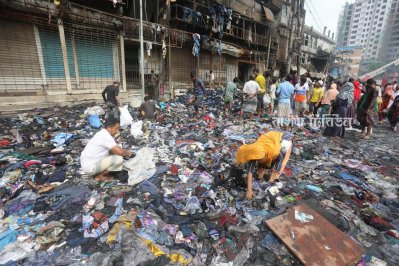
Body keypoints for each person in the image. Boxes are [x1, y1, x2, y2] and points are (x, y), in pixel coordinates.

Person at [236, 129, 293, 200]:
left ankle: (273, 182)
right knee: (261, 170)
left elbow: (278, 167)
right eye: (258, 159)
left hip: (285, 137)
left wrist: (271, 182)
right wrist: (249, 190)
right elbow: (249, 172)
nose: (258, 160)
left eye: (260, 159)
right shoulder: (254, 151)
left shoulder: (276, 153)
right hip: (270, 136)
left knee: (282, 163)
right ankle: (266, 176)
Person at [80, 117, 135, 181]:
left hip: (86, 164)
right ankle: (99, 176)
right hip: (90, 167)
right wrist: (128, 153)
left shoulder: (102, 133)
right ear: (109, 127)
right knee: (118, 159)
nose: (117, 131)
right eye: (116, 128)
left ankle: (98, 172)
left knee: (114, 154)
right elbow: (120, 152)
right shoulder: (105, 136)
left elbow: (113, 150)